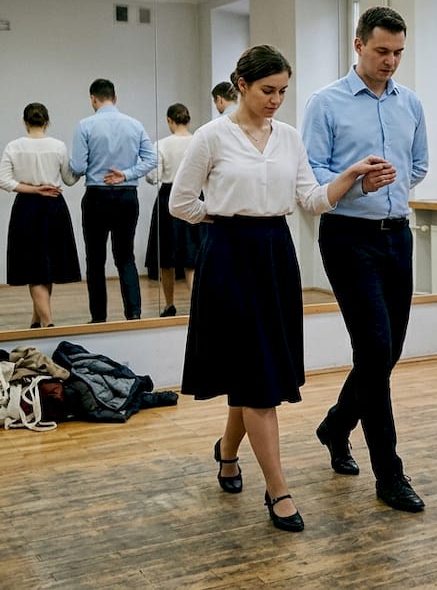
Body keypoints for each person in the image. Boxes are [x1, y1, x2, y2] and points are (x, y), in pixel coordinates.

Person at [170, 44, 388, 533]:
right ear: (241, 85)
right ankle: (279, 490)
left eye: (283, 91)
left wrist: (351, 176)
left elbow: (312, 200)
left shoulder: (289, 138)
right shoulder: (210, 137)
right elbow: (181, 203)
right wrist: (223, 215)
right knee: (257, 381)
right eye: (267, 90)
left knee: (258, 372)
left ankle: (228, 452)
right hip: (228, 255)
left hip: (275, 254)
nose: (275, 100)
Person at [301, 6, 429, 513]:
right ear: (358, 45)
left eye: (398, 52)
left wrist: (390, 188)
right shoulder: (324, 103)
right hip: (347, 238)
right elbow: (311, 177)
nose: (390, 61)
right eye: (381, 51)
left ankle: (335, 425)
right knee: (374, 348)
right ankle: (390, 474)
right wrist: (357, 183)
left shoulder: (411, 103)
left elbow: (418, 165)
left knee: (386, 353)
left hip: (398, 237)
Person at [69, 78, 158, 323]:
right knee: (125, 256)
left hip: (97, 196)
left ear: (93, 99)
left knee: (95, 259)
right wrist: (127, 174)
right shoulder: (135, 125)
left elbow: (77, 165)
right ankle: (134, 313)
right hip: (127, 195)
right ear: (115, 98)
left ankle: (99, 317)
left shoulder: (85, 126)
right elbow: (151, 160)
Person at [0, 102, 83, 328]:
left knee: (35, 266)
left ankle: (44, 321)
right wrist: (83, 167)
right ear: (47, 122)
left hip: (27, 207)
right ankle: (43, 319)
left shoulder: (13, 147)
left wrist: (33, 188)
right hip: (54, 205)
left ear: (25, 122)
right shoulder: (58, 146)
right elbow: (69, 179)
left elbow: (4, 181)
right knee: (45, 265)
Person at [144, 103, 200, 317]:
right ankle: (196, 303)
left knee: (165, 256)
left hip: (169, 196)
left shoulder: (161, 144)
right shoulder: (198, 140)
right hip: (195, 195)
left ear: (169, 121)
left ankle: (169, 304)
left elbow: (154, 176)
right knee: (192, 256)